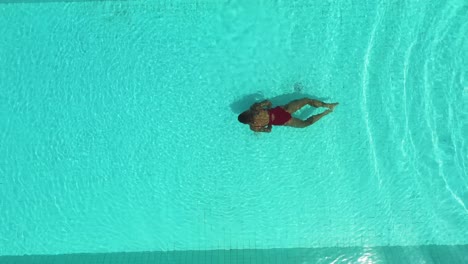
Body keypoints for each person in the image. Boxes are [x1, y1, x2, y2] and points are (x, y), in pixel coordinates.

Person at [237, 98, 338, 132]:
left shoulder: (253, 127)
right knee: (307, 100)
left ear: (246, 122)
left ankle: (325, 113)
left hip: (282, 121)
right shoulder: (254, 108)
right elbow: (268, 102)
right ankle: (328, 105)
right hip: (280, 110)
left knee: (305, 124)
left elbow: (268, 130)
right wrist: (268, 106)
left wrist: (268, 124)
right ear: (246, 112)